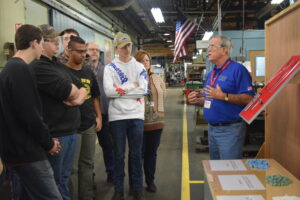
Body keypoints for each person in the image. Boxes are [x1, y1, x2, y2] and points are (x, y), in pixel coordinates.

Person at [0, 24, 62, 200]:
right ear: (34, 43)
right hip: (28, 153)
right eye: (42, 42)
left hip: (14, 151)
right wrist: (49, 143)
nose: (43, 47)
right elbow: (30, 116)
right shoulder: (21, 70)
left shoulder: (8, 69)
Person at [31, 24, 87, 200]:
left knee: (63, 179)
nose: (57, 43)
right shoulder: (39, 67)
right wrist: (75, 94)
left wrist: (76, 99)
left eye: (57, 39)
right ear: (39, 43)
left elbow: (82, 87)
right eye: (51, 40)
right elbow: (68, 90)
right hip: (56, 135)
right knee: (55, 182)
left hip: (70, 131)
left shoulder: (57, 64)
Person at [187, 35, 254, 160]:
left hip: (230, 130)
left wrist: (224, 96)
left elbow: (249, 99)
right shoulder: (212, 73)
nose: (209, 50)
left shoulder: (238, 70)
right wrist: (198, 100)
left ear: (225, 50)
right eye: (208, 46)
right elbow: (211, 99)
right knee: (217, 170)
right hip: (212, 129)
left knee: (229, 171)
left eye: (212, 46)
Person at [103, 32, 148, 200]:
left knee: (136, 154)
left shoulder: (140, 67)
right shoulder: (109, 68)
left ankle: (137, 188)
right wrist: (132, 86)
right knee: (119, 155)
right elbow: (108, 91)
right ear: (116, 48)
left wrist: (120, 89)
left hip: (136, 115)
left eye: (129, 45)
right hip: (117, 117)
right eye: (123, 47)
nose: (127, 49)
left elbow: (143, 90)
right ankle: (119, 189)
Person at [65, 36, 102, 200]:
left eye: (84, 51)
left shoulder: (88, 72)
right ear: (69, 51)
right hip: (71, 127)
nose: (83, 55)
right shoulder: (62, 72)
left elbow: (95, 97)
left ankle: (86, 196)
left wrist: (99, 117)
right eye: (79, 51)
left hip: (88, 125)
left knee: (87, 164)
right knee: (72, 168)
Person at [134, 50, 166, 193]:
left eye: (147, 60)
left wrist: (157, 112)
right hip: (138, 122)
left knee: (151, 153)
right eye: (141, 60)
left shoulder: (157, 78)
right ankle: (137, 184)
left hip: (156, 123)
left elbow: (163, 94)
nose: (145, 63)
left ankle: (150, 181)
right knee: (137, 154)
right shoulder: (133, 78)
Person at [87, 42, 115, 184]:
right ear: (86, 50)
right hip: (87, 115)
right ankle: (88, 177)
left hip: (104, 113)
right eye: (91, 49)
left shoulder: (107, 69)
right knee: (87, 150)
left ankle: (111, 171)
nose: (95, 52)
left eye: (97, 50)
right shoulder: (82, 69)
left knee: (108, 145)